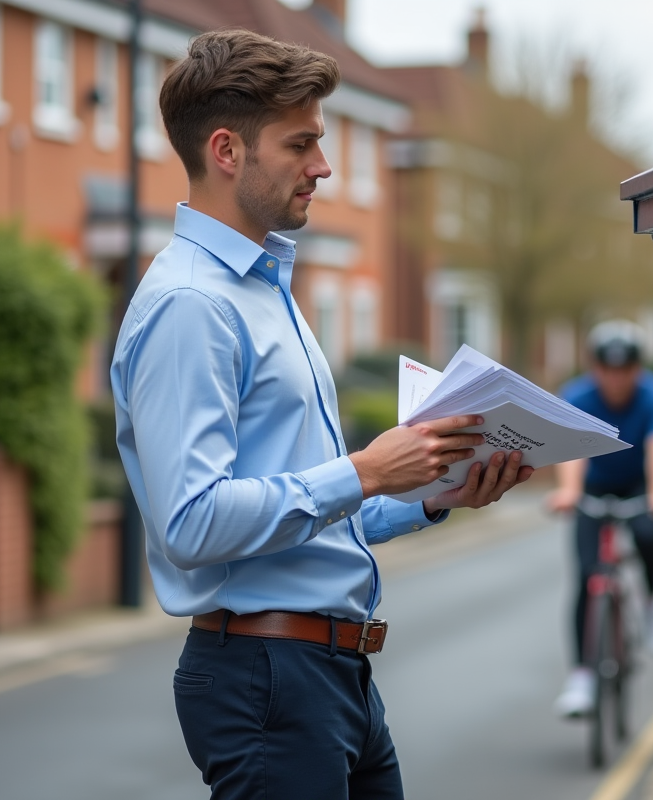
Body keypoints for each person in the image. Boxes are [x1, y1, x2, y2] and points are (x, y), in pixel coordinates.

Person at [110, 30, 533, 800]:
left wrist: (428, 495)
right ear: (228, 150)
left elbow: (305, 514)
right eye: (301, 143)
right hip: (268, 681)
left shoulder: (266, 290)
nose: (324, 166)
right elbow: (191, 524)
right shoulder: (191, 306)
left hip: (333, 677)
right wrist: (366, 469)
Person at [546, 320, 653, 717]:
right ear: (594, 367)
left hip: (639, 484)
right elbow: (571, 448)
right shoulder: (578, 394)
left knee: (650, 534)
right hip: (593, 486)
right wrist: (568, 491)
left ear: (637, 369)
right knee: (586, 575)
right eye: (607, 369)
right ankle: (582, 676)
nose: (616, 378)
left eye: (625, 369)